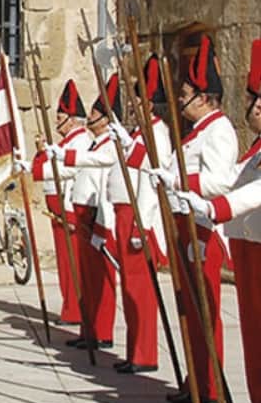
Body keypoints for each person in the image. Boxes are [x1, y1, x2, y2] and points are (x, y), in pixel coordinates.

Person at [173, 39, 261, 403]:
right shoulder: (254, 148)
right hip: (247, 245)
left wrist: (210, 204)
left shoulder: (222, 132)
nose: (255, 107)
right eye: (253, 98)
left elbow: (243, 190)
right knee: (253, 342)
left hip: (248, 241)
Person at [151, 35, 238, 403]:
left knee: (205, 310)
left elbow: (221, 181)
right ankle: (196, 377)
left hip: (203, 227)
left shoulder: (218, 131)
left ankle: (210, 384)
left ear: (203, 97)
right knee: (189, 308)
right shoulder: (196, 133)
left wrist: (178, 180)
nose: (181, 98)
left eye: (186, 92)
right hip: (184, 224)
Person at [108, 55, 172, 374]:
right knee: (130, 288)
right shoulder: (140, 132)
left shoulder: (156, 134)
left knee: (140, 289)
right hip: (124, 213)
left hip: (137, 218)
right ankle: (135, 349)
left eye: (137, 99)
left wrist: (140, 224)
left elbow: (150, 181)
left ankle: (145, 353)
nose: (132, 105)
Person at [46, 77, 119, 350]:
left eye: (95, 114)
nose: (90, 117)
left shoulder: (104, 145)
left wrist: (102, 225)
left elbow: (96, 178)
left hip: (97, 215)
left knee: (99, 276)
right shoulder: (95, 143)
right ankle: (89, 328)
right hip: (83, 211)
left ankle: (101, 331)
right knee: (86, 277)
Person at [29, 81, 90, 325]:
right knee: (65, 264)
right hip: (57, 210)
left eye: (61, 116)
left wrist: (43, 162)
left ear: (73, 119)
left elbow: (65, 169)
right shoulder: (65, 142)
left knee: (72, 264)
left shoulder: (80, 141)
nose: (57, 121)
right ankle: (69, 306)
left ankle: (75, 309)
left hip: (70, 208)